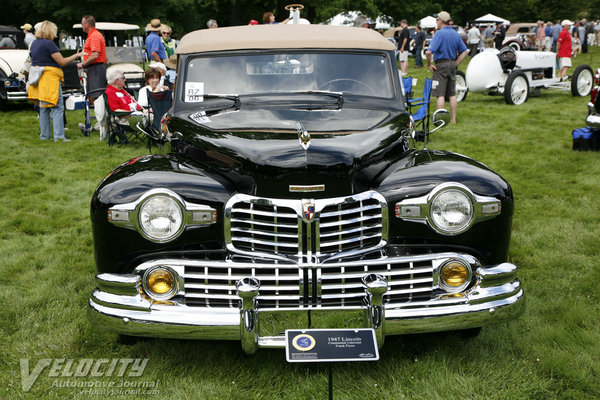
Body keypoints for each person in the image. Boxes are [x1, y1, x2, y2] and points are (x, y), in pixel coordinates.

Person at [27, 21, 83, 142]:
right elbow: (62, 61)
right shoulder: (49, 44)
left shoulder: (34, 43)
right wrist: (76, 55)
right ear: (50, 31)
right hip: (50, 78)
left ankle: (45, 136)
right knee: (57, 107)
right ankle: (59, 136)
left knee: (43, 108)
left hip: (38, 78)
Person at [426, 11, 468, 124]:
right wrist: (456, 63)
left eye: (437, 20)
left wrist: (429, 65)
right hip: (452, 64)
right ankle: (453, 119)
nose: (436, 22)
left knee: (440, 94)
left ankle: (440, 120)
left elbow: (429, 52)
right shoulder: (455, 33)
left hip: (441, 65)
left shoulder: (439, 34)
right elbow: (465, 51)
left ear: (441, 21)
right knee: (452, 94)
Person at [77, 15, 106, 105]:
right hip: (94, 68)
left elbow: (95, 55)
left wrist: (83, 64)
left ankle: (100, 117)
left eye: (82, 24)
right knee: (93, 94)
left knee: (96, 95)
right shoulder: (93, 35)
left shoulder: (94, 36)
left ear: (86, 25)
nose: (81, 26)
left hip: (95, 68)